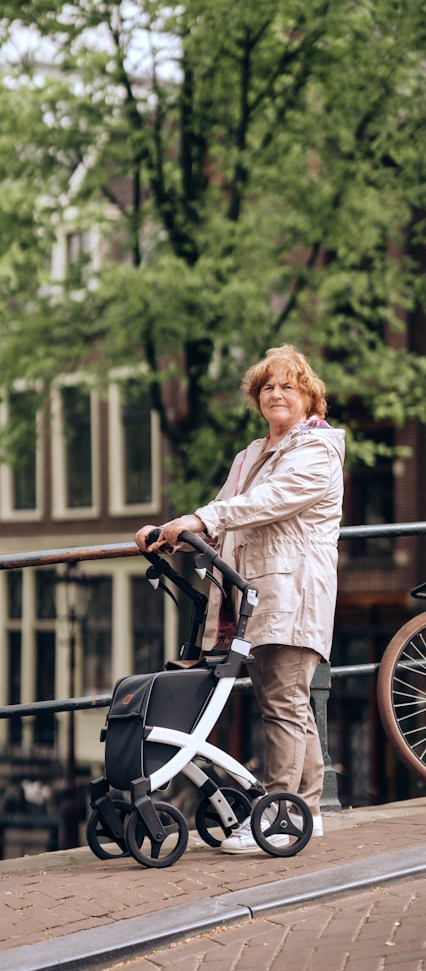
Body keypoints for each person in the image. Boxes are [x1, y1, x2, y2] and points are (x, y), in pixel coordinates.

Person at [135, 344, 345, 854]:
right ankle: (308, 811)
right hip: (257, 594)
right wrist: (172, 533)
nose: (276, 393)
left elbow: (266, 502)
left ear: (309, 397)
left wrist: (201, 519)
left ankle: (277, 817)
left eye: (288, 386)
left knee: (285, 703)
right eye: (267, 386)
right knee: (286, 702)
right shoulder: (251, 454)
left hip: (294, 590)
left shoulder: (317, 450)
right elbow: (225, 511)